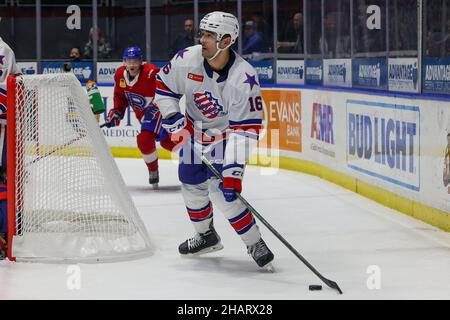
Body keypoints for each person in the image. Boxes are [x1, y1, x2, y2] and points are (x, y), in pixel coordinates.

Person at [153, 11, 274, 269]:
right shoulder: (187, 58)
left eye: (210, 35)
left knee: (223, 193)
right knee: (190, 184)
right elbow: (163, 88)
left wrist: (233, 172)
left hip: (226, 136)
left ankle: (254, 242)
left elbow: (245, 130)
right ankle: (206, 236)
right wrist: (172, 115)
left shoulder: (243, 78)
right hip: (193, 133)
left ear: (227, 40)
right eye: (203, 33)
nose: (202, 39)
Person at [106, 46, 174, 186]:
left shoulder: (150, 73)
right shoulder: (120, 75)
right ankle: (155, 169)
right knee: (165, 142)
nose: (132, 65)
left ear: (141, 61)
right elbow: (120, 97)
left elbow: (167, 87)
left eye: (135, 61)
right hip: (144, 116)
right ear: (124, 62)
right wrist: (117, 112)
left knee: (145, 137)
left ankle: (195, 158)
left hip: (159, 109)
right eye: (128, 61)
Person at [0, 37, 21, 258]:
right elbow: (17, 79)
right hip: (7, 122)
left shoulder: (4, 49)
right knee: (6, 177)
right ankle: (10, 230)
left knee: (4, 178)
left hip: (4, 125)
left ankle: (6, 234)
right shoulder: (5, 48)